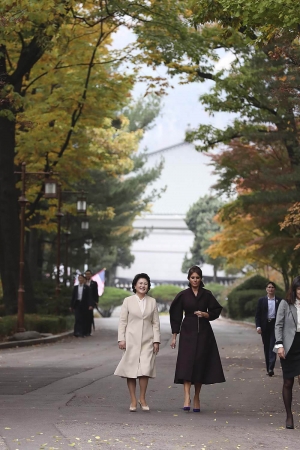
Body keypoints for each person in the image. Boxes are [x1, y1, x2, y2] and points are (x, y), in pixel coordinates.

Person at [170, 266, 225, 412]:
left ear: (201, 279)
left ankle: (196, 397)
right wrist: (174, 336)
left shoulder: (207, 294)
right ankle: (187, 397)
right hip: (187, 331)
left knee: (200, 364)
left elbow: (216, 309)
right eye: (192, 277)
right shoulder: (183, 295)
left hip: (204, 333)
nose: (195, 280)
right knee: (187, 364)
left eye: (197, 278)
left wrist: (206, 314)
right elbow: (175, 315)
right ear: (189, 279)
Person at [114, 273, 160, 412]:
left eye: (145, 284)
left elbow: (155, 323)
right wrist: (121, 338)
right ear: (135, 285)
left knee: (145, 370)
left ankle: (142, 398)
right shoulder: (128, 301)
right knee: (131, 370)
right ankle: (133, 399)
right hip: (131, 340)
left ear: (148, 286)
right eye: (140, 283)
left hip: (148, 340)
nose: (142, 286)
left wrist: (156, 340)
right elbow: (123, 321)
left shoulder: (152, 302)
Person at [274, 276, 300, 429]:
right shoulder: (285, 304)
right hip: (289, 345)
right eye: (299, 289)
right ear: (294, 289)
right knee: (288, 382)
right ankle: (289, 415)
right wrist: (279, 345)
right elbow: (278, 325)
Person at [255, 281, 282, 376]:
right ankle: (268, 368)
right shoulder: (261, 300)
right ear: (266, 289)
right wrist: (258, 326)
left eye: (272, 287)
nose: (270, 289)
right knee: (267, 347)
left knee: (273, 346)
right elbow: (257, 315)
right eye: (269, 287)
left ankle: (271, 368)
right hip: (265, 326)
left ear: (275, 289)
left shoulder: (279, 300)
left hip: (275, 325)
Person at [85, 269, 98, 335]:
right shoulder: (83, 282)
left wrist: (96, 301)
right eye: (86, 274)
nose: (87, 275)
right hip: (83, 302)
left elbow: (96, 293)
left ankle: (88, 331)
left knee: (89, 317)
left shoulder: (94, 283)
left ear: (91, 275)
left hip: (91, 302)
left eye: (89, 274)